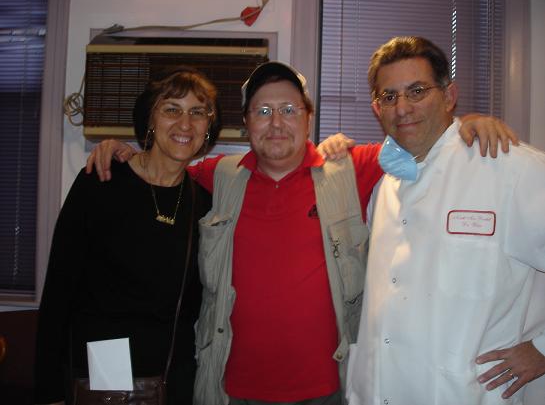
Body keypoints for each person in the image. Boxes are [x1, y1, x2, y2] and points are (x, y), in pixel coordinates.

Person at [85, 61, 518, 405]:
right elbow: (161, 170)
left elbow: (417, 141)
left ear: (309, 118)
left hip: (328, 389)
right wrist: (124, 152)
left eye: (290, 110)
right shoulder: (221, 176)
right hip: (234, 389)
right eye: (264, 111)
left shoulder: (351, 168)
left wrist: (465, 123)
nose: (277, 123)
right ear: (247, 123)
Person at [321, 36, 545, 405]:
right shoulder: (384, 185)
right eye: (389, 97)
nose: (403, 108)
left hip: (465, 393)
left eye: (417, 90)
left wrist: (540, 350)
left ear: (449, 95)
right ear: (377, 109)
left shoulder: (510, 168)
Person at [34, 66, 221, 405]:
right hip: (100, 379)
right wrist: (47, 390)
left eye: (197, 113)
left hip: (172, 382)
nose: (185, 124)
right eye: (171, 110)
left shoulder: (205, 205)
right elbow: (59, 290)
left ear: (208, 128)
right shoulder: (101, 181)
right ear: (150, 120)